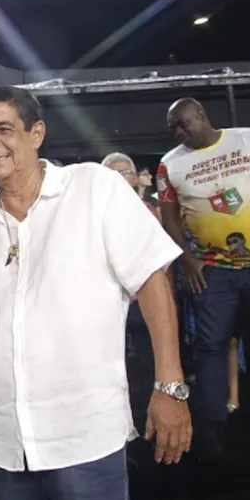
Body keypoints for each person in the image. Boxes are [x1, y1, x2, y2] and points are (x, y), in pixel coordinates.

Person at [0, 86, 191, 500]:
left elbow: (152, 278)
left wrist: (169, 385)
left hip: (83, 433)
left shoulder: (92, 187)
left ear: (36, 133)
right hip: (6, 441)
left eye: (4, 128)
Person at [157, 97, 250, 455]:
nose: (179, 132)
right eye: (173, 128)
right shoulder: (170, 164)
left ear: (202, 115)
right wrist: (187, 258)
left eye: (183, 123)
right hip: (212, 271)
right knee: (210, 348)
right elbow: (171, 217)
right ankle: (210, 432)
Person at [101, 152, 158, 434]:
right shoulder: (94, 216)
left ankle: (150, 417)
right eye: (111, 174)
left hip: (143, 300)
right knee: (113, 364)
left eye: (124, 172)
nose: (119, 179)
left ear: (135, 178)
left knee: (149, 362)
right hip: (109, 301)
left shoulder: (150, 211)